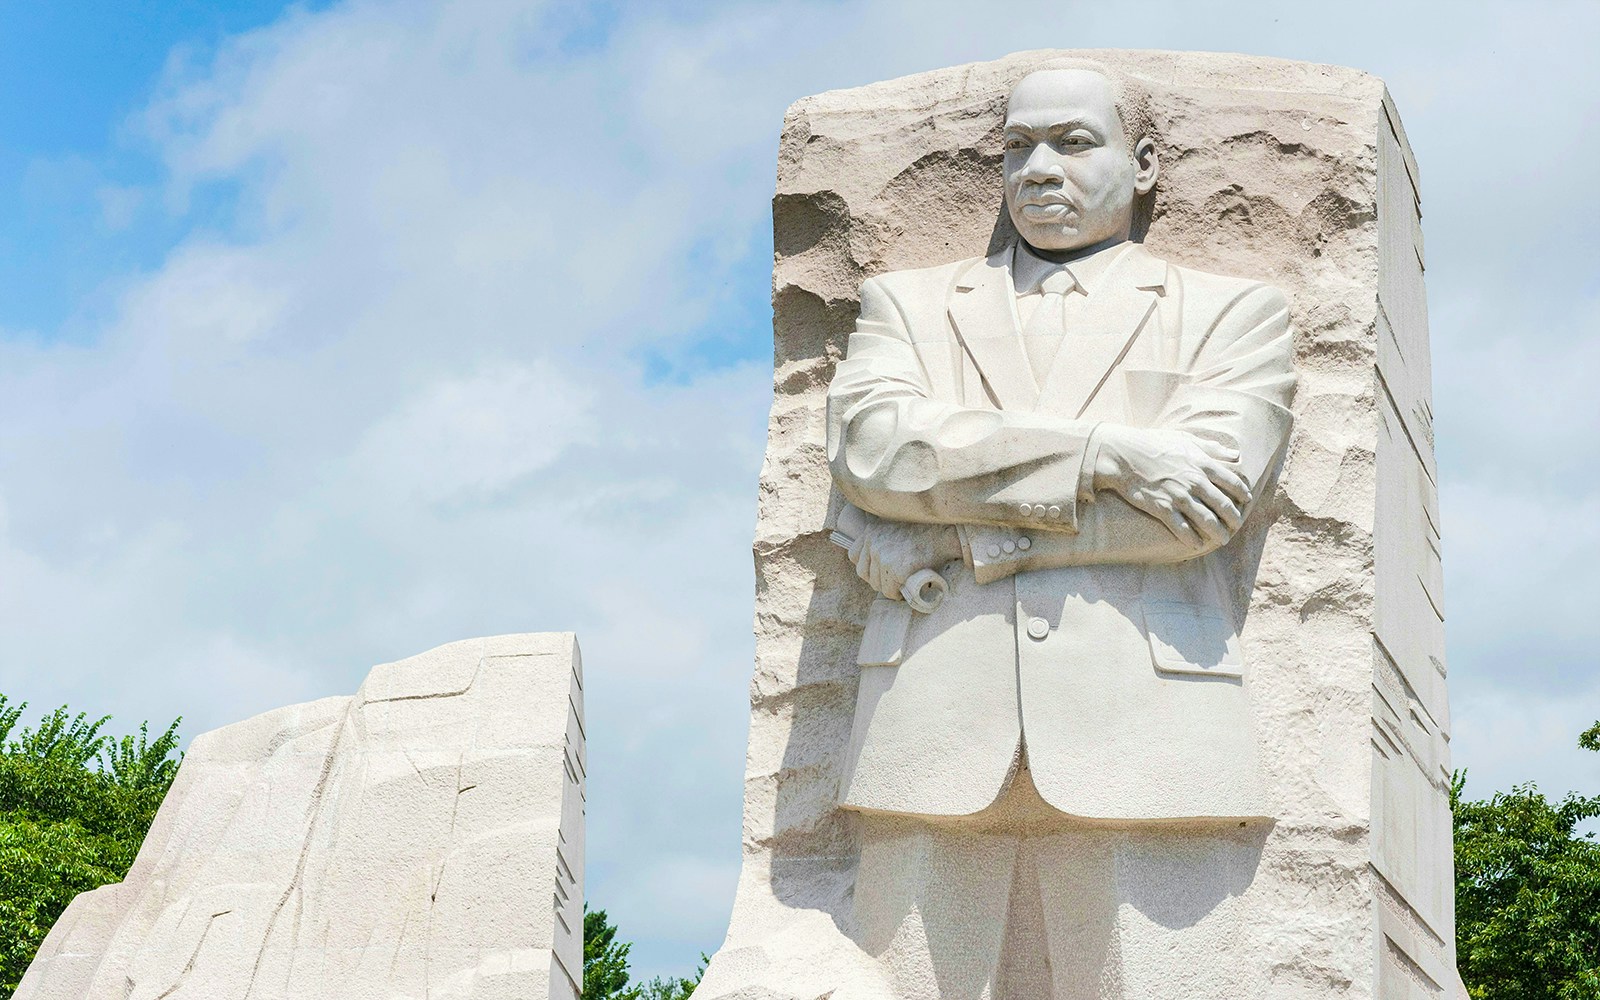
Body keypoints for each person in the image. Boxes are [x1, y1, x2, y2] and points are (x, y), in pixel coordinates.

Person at [824, 61, 1297, 999]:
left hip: (1152, 729)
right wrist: (1106, 456)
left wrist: (971, 536)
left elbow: (1198, 512)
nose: (1039, 168)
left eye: (1073, 142)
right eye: (1017, 146)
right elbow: (878, 453)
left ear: (1146, 162)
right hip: (931, 724)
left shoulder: (1232, 314)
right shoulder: (907, 307)